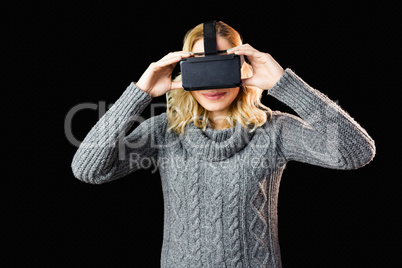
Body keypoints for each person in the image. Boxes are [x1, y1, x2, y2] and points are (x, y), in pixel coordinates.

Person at [71, 21, 375, 268]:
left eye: (222, 65)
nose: (213, 83)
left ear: (242, 66)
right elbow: (88, 169)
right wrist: (139, 92)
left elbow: (356, 153)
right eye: (200, 66)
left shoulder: (275, 130)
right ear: (183, 69)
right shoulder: (164, 131)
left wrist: (285, 84)